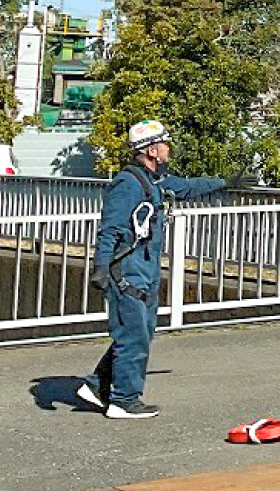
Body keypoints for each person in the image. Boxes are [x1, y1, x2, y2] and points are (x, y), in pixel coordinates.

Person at [78, 120, 230, 419]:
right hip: (128, 270)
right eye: (164, 143)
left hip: (145, 269)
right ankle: (124, 401)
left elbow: (186, 187)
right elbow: (109, 230)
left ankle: (97, 386)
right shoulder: (128, 184)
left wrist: (223, 182)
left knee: (141, 334)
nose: (168, 148)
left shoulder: (154, 180)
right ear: (151, 150)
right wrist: (100, 266)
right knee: (133, 337)